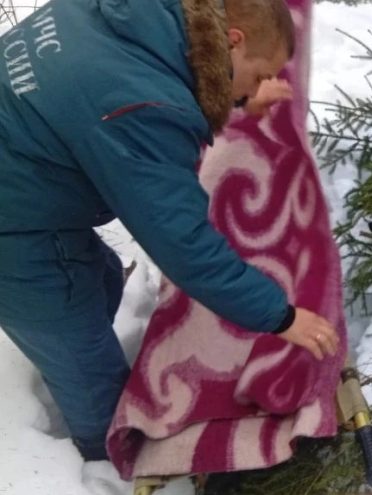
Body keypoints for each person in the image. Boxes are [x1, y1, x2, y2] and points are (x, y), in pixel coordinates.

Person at [0, 0, 338, 462]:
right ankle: (101, 455)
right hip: (13, 228)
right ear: (233, 41)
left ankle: (66, 344)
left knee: (101, 279)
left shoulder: (142, 17)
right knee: (81, 356)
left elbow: (159, 85)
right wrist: (281, 317)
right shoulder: (137, 104)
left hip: (25, 176)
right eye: (259, 74)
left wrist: (238, 99)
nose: (259, 86)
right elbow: (184, 245)